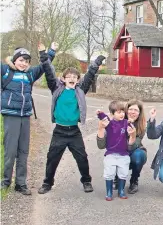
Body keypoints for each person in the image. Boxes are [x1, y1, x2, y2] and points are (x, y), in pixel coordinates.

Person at [37, 49, 105, 194]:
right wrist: (44, 54)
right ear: (63, 79)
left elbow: (90, 74)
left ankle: (86, 181)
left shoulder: (80, 90)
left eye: (75, 76)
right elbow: (49, 71)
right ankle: (47, 183)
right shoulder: (56, 88)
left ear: (78, 80)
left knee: (82, 158)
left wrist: (99, 58)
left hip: (74, 131)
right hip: (59, 131)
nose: (72, 78)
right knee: (52, 158)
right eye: (69, 76)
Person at [1, 43, 57, 195]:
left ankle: (20, 183)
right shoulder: (5, 71)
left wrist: (50, 51)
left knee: (23, 151)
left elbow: (44, 65)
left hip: (25, 116)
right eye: (21, 60)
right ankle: (5, 181)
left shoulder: (30, 74)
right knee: (10, 151)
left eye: (26, 61)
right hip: (10, 116)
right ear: (14, 60)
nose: (23, 63)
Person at [97, 99, 148, 194]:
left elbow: (130, 147)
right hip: (117, 152)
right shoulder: (113, 124)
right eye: (130, 109)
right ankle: (116, 178)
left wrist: (132, 134)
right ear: (125, 110)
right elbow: (101, 145)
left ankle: (134, 180)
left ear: (139, 113)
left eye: (136, 110)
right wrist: (100, 128)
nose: (133, 112)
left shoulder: (141, 126)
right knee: (113, 157)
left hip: (131, 151)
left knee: (138, 156)